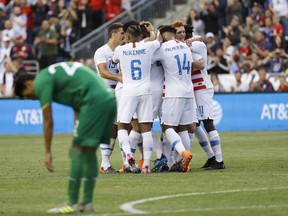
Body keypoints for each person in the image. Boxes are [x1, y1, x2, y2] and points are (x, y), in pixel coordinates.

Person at [14, 62, 116, 213]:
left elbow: (48, 121)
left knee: (77, 152)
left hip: (93, 102)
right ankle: (86, 203)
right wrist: (76, 135)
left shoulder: (41, 81)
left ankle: (72, 203)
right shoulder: (53, 76)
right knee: (88, 151)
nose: (34, 98)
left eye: (29, 95)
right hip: (108, 99)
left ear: (28, 83)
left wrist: (48, 152)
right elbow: (76, 106)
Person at [112, 24, 161, 173]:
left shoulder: (120, 50)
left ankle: (128, 155)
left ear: (126, 36)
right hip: (145, 90)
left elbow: (114, 61)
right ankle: (146, 165)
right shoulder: (148, 47)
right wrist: (152, 31)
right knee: (146, 129)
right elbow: (158, 39)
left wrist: (123, 43)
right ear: (140, 36)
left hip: (128, 91)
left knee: (122, 126)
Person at [153, 25, 194, 172]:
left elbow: (147, 58)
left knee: (167, 127)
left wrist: (155, 40)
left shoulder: (163, 49)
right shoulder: (185, 47)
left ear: (163, 36)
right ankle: (179, 163)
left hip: (173, 92)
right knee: (183, 128)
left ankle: (183, 153)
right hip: (189, 91)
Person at [94, 22, 124, 173]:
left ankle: (106, 164)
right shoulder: (102, 51)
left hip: (119, 92)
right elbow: (102, 72)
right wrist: (119, 78)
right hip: (106, 93)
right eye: (122, 33)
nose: (124, 36)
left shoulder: (121, 50)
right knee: (115, 127)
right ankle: (107, 164)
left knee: (115, 128)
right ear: (114, 34)